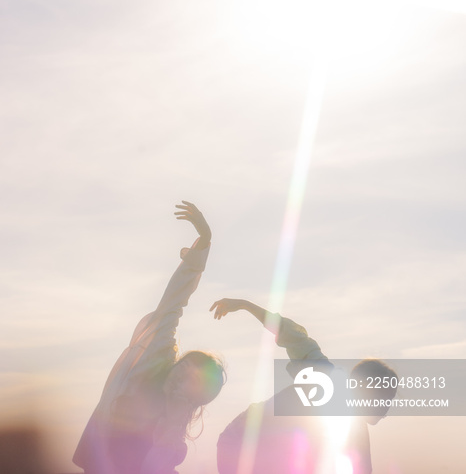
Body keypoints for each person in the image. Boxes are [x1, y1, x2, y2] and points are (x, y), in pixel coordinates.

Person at [73, 201, 225, 474]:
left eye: (193, 380)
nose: (182, 373)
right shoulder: (157, 355)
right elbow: (173, 302)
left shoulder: (172, 426)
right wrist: (203, 243)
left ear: (196, 398)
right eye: (186, 365)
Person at [211, 298, 397, 474]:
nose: (385, 411)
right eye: (384, 400)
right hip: (238, 441)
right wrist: (245, 305)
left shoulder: (356, 427)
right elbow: (288, 332)